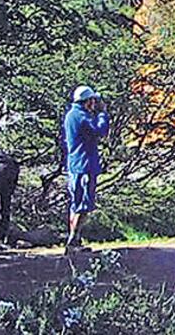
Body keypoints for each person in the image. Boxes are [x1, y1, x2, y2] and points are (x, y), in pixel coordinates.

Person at [63, 85, 109, 254]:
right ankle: (73, 240)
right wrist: (103, 114)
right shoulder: (82, 117)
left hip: (75, 164)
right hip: (85, 165)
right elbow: (100, 131)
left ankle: (74, 238)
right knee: (83, 204)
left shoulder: (70, 115)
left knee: (75, 203)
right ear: (87, 101)